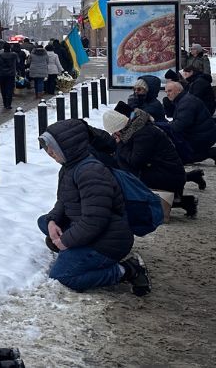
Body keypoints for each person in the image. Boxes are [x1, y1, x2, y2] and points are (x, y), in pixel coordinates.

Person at [37, 120, 150, 295]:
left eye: (53, 147)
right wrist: (53, 221)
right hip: (86, 228)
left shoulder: (90, 172)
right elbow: (63, 201)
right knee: (43, 222)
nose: (49, 153)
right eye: (47, 148)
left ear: (68, 147)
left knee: (62, 275)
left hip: (108, 240)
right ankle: (74, 249)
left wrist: (66, 241)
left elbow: (95, 220)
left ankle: (127, 270)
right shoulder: (69, 166)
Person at [103, 106, 192, 216]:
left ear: (118, 129)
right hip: (163, 171)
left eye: (114, 133)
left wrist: (120, 145)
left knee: (128, 182)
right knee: (124, 175)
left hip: (168, 175)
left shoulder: (143, 133)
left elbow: (136, 161)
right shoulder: (135, 130)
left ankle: (182, 202)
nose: (114, 136)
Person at [164, 80, 216, 165]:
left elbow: (179, 126)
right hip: (201, 134)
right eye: (166, 92)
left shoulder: (186, 102)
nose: (167, 94)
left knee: (183, 159)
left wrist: (165, 125)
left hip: (201, 137)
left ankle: (211, 152)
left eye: (170, 91)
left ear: (179, 90)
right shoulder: (184, 100)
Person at [0, 42, 19, 111]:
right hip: (11, 74)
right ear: (10, 48)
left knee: (3, 89)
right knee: (10, 89)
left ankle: (5, 103)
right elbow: (18, 61)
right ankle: (9, 104)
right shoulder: (14, 54)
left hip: (2, 74)